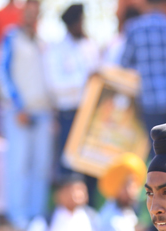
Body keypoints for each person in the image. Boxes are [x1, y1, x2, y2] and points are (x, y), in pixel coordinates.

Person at [0, 0, 54, 230]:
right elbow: (2, 74)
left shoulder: (43, 42)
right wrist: (17, 106)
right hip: (19, 111)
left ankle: (36, 215)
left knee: (41, 166)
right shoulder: (11, 38)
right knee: (18, 164)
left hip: (43, 112)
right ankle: (17, 216)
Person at [47, 3, 100, 191]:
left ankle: (89, 205)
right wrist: (85, 80)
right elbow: (55, 84)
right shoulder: (57, 49)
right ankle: (69, 205)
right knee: (70, 167)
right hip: (70, 113)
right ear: (72, 24)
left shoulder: (89, 46)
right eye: (80, 22)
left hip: (91, 114)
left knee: (90, 166)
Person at [119, 0, 166, 132]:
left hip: (151, 99)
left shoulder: (134, 28)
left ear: (144, 3)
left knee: (157, 143)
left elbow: (125, 63)